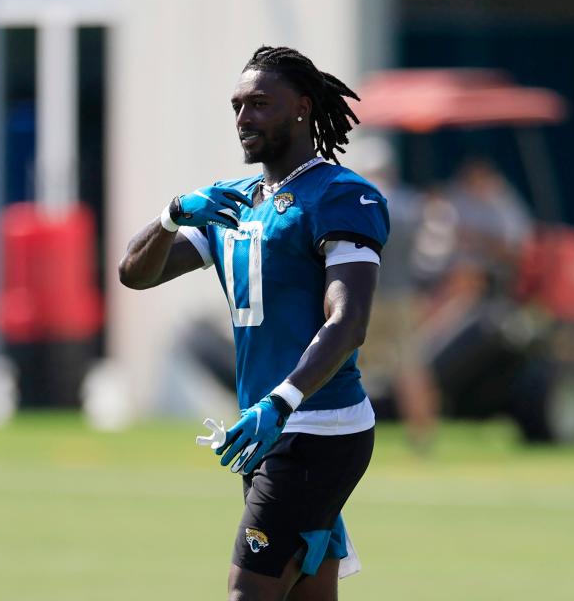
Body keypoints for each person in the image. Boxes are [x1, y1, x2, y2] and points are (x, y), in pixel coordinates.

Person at [119, 46, 389, 601]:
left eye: (260, 103)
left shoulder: (340, 195)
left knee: (251, 591)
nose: (243, 119)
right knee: (306, 592)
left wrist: (280, 401)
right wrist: (171, 215)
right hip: (271, 430)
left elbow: (350, 320)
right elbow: (134, 273)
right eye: (237, 106)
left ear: (303, 108)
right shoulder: (233, 204)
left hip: (319, 425)